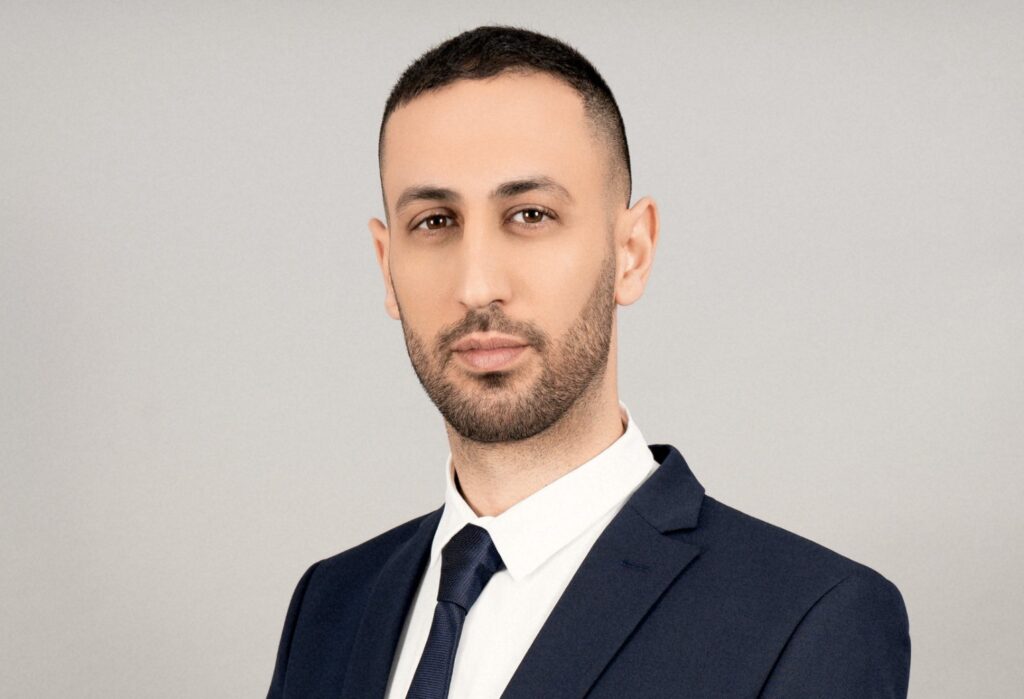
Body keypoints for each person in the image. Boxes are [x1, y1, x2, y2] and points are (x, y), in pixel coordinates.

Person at [267, 25, 911, 699]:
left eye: (530, 215)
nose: (477, 285)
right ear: (386, 267)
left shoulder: (811, 618)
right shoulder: (330, 604)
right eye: (434, 221)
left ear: (631, 252)